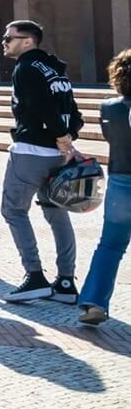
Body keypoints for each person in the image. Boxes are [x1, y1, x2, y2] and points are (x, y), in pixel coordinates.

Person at [0, 19, 84, 304]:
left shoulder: (25, 68)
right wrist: (67, 136)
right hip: (57, 154)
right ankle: (65, 282)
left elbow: (41, 106)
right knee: (57, 212)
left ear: (27, 41)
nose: (4, 42)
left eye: (9, 38)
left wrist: (62, 136)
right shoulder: (55, 69)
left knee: (13, 210)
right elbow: (73, 111)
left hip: (31, 150)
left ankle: (34, 275)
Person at [80, 47, 131, 326]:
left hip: (121, 180)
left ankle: (94, 302)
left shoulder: (109, 107)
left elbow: (111, 139)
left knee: (110, 245)